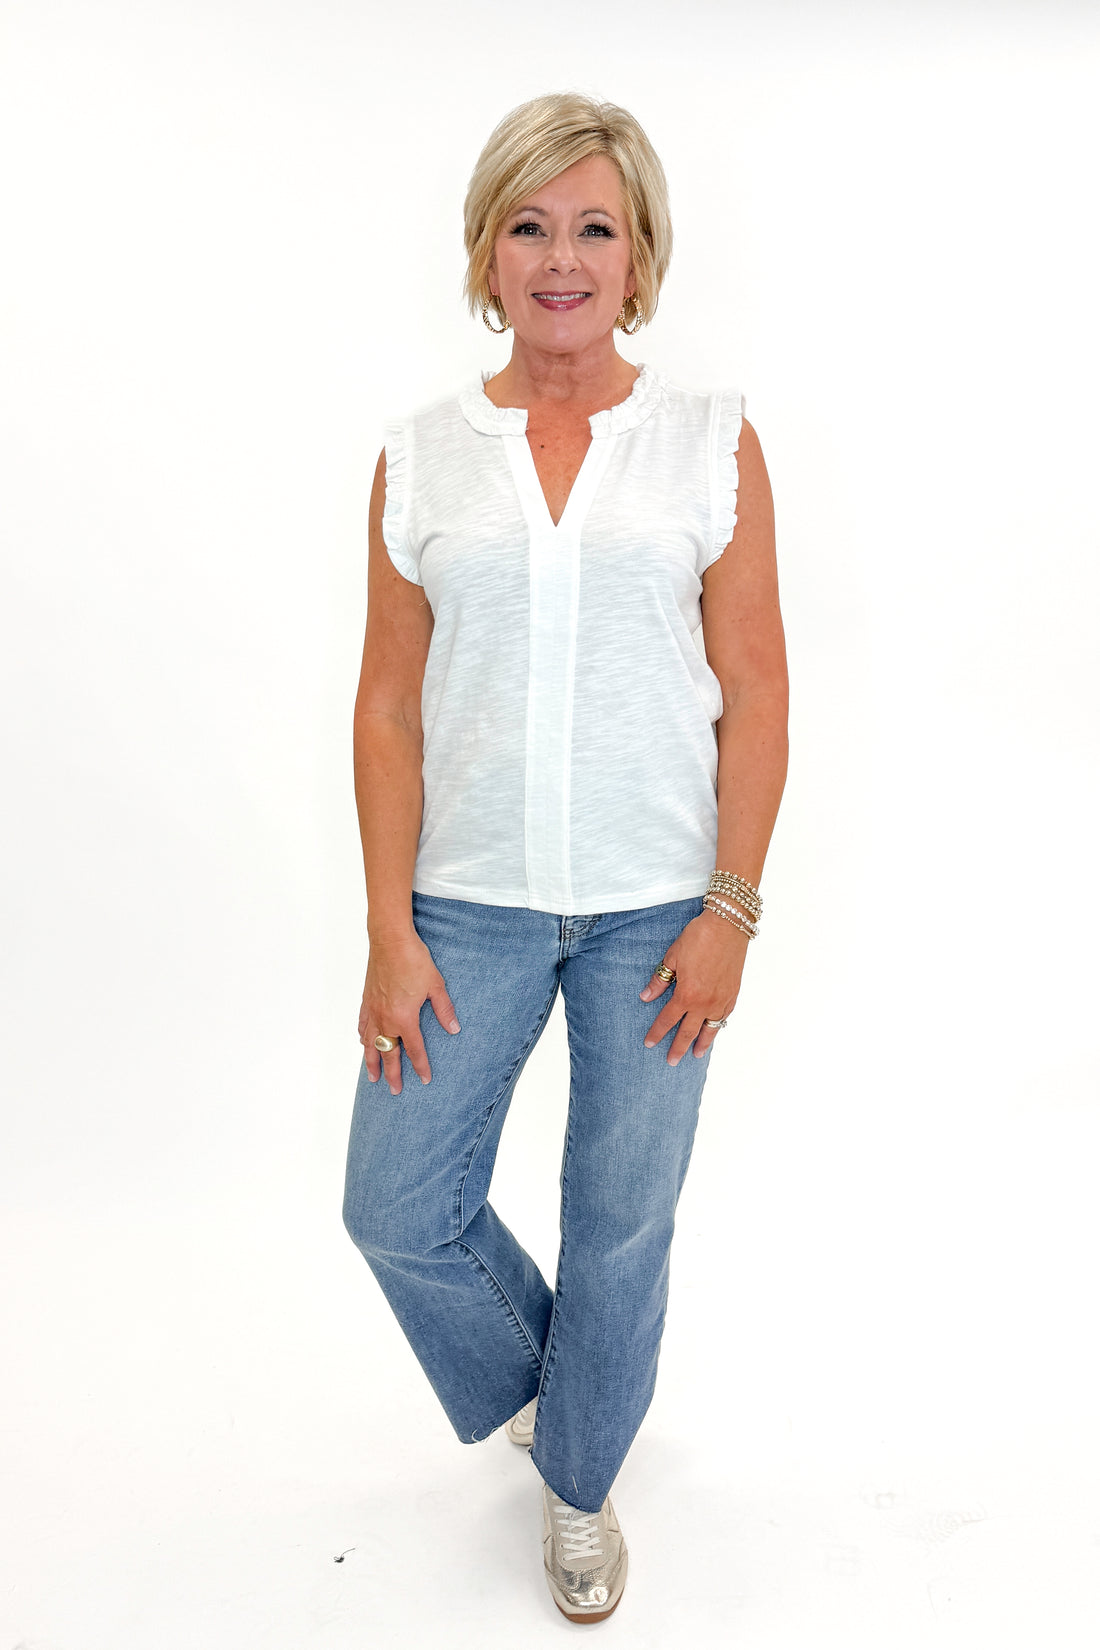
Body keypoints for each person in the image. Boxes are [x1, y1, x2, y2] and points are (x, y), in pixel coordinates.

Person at [342, 90, 788, 1625]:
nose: (561, 256)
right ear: (485, 248)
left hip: (658, 907)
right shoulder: (419, 458)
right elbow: (388, 706)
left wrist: (732, 903)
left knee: (619, 1211)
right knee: (396, 1203)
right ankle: (562, 1387)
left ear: (641, 256)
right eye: (530, 224)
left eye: (595, 227)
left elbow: (761, 685)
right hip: (463, 903)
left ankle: (581, 1478)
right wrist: (389, 928)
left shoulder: (709, 442)